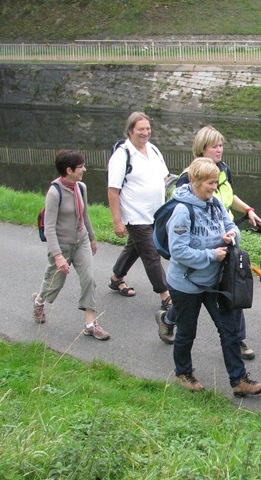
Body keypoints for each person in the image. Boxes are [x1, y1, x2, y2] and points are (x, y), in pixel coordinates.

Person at [162, 157, 261, 396]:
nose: (214, 187)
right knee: (187, 331)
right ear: (196, 181)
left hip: (215, 282)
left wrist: (232, 234)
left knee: (229, 329)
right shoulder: (182, 211)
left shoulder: (216, 204)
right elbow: (177, 251)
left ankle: (239, 380)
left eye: (216, 183)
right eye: (210, 183)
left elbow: (233, 226)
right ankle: (183, 373)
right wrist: (211, 255)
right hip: (186, 284)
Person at [157, 126, 259, 357]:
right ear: (202, 148)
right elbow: (183, 212)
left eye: (221, 145)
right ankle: (169, 317)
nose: (220, 149)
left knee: (232, 287)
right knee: (191, 300)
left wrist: (248, 210)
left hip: (226, 239)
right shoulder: (189, 178)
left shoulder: (223, 170)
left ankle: (237, 338)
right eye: (215, 146)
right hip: (202, 248)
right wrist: (209, 247)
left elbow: (227, 197)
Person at [32, 150, 109, 340]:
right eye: (80, 166)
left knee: (89, 279)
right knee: (54, 285)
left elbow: (84, 215)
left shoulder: (80, 187)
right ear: (69, 170)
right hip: (62, 246)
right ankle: (39, 301)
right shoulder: (54, 192)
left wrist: (91, 238)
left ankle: (90, 324)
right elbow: (49, 228)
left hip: (80, 241)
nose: (84, 169)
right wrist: (58, 256)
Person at [107, 111, 172, 313]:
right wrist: (117, 221)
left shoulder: (153, 150)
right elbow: (113, 190)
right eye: (140, 129)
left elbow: (164, 177)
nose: (145, 133)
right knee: (151, 253)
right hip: (135, 216)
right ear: (130, 131)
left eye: (148, 129)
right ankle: (166, 296)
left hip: (156, 213)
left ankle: (117, 278)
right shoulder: (122, 156)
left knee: (135, 247)